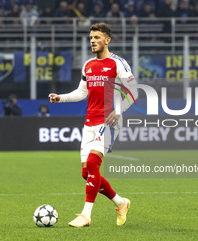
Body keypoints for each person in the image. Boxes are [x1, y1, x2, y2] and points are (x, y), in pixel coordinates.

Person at [49, 23, 138, 228]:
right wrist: (60, 98)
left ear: (107, 40)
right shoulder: (88, 65)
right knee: (86, 173)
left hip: (108, 121)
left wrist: (119, 110)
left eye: (97, 37)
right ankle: (121, 202)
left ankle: (86, 215)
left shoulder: (117, 63)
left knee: (92, 164)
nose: (92, 41)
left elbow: (133, 90)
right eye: (91, 37)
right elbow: (82, 92)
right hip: (89, 123)